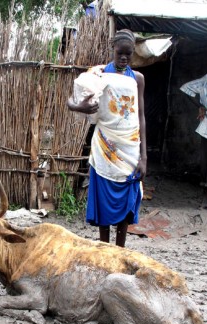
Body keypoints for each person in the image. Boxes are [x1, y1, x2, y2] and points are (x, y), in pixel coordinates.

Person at [67, 29, 146, 247]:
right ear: (113, 49)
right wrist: (80, 107)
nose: (124, 58)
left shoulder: (137, 78)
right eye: (120, 53)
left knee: (126, 200)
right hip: (104, 147)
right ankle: (104, 248)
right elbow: (71, 101)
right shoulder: (98, 75)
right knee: (104, 200)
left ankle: (119, 249)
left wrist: (144, 157)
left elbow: (140, 116)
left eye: (128, 55)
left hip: (129, 149)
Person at [180, 73, 207, 209]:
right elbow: (186, 88)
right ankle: (206, 192)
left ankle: (205, 190)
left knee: (206, 157)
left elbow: (187, 88)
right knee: (206, 158)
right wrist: (201, 106)